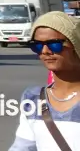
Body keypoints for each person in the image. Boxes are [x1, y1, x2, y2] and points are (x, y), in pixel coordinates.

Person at [8, 12, 80, 151]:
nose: (45, 51)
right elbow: (22, 146)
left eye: (54, 44)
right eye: (37, 45)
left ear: (75, 45)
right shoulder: (33, 98)